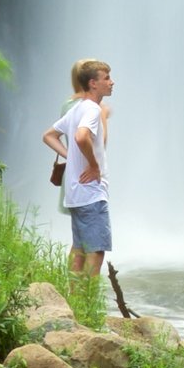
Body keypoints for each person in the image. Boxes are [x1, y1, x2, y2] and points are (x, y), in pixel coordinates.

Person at [42, 59, 114, 275]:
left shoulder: (76, 109)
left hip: (74, 193)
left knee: (80, 248)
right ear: (93, 83)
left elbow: (48, 136)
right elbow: (81, 137)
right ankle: (90, 301)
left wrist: (71, 156)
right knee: (96, 250)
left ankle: (75, 300)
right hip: (91, 193)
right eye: (107, 78)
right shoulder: (92, 110)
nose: (112, 82)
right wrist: (93, 166)